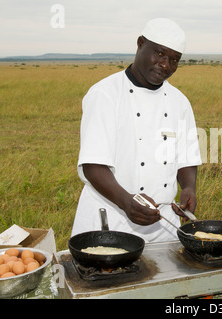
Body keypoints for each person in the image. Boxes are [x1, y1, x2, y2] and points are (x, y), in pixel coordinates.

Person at [71, 18, 202, 242]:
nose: (165, 65)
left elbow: (186, 157)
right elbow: (93, 165)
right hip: (112, 218)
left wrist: (188, 187)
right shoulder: (105, 94)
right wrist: (125, 201)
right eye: (160, 54)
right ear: (140, 43)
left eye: (174, 59)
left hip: (164, 224)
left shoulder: (180, 102)